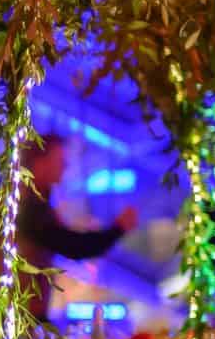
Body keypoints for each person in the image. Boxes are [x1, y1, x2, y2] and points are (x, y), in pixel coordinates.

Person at [19, 133, 136, 319]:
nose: (65, 166)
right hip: (22, 313)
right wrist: (118, 229)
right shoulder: (28, 208)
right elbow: (72, 245)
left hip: (27, 310)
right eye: (60, 160)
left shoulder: (33, 204)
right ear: (40, 161)